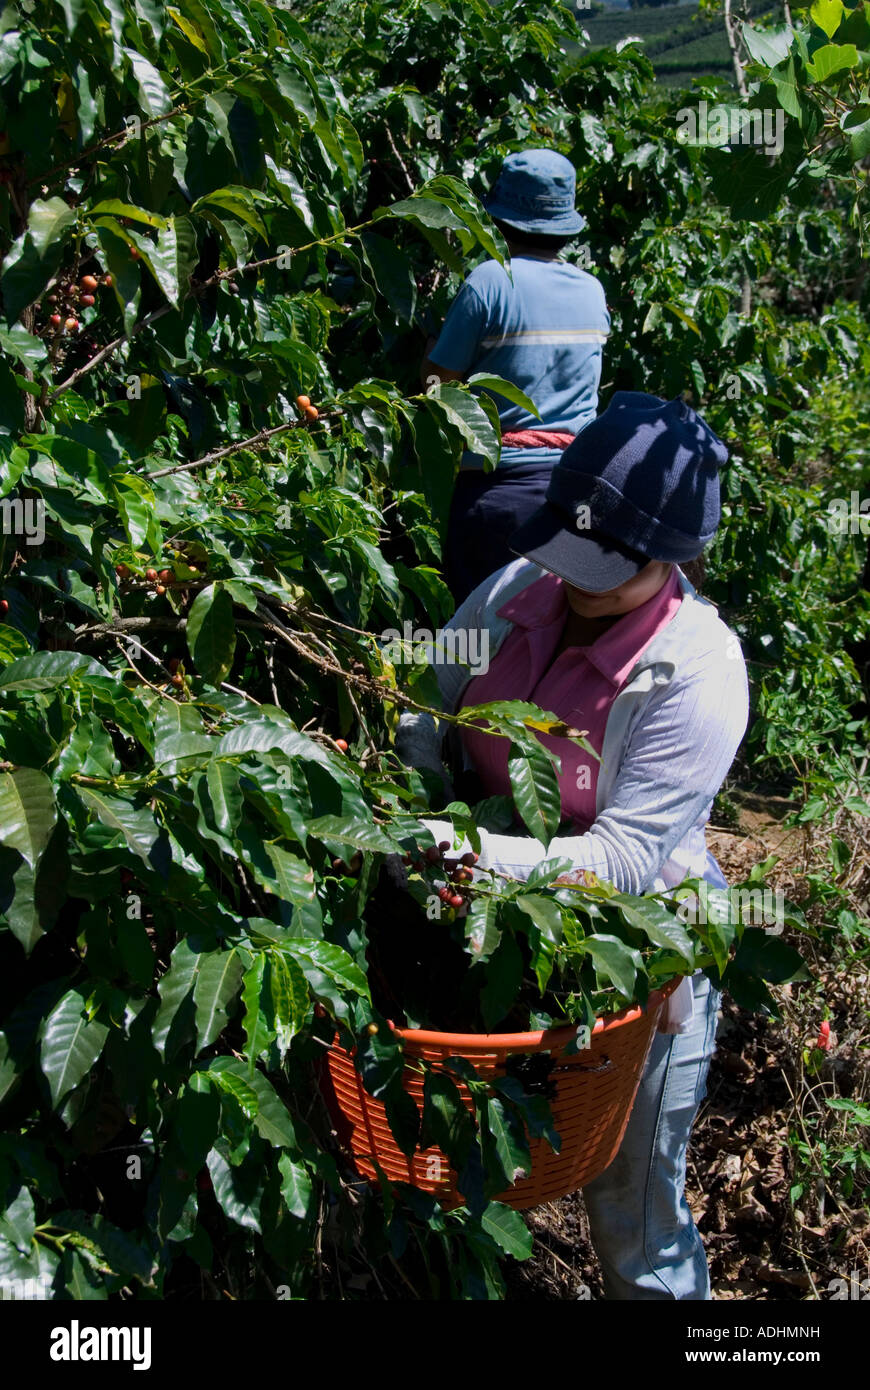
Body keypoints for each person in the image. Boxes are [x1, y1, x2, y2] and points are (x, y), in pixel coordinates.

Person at [396, 391, 749, 1299]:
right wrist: (420, 803)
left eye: (603, 566)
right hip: (479, 915)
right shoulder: (518, 590)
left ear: (673, 559)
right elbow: (427, 699)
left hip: (636, 953)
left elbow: (626, 861)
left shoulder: (697, 671)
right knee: (455, 1151)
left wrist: (461, 853)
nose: (572, 577)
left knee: (632, 1215)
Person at [420, 148, 610, 606]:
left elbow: (434, 391)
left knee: (479, 645)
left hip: (496, 496)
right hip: (572, 497)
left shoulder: (488, 282)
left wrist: (428, 340)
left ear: (498, 222)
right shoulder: (592, 290)